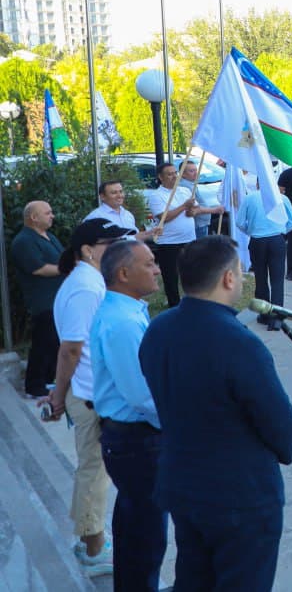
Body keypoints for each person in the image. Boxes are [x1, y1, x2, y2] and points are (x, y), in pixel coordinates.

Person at [140, 236, 292, 592]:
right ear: (228, 278)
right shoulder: (238, 342)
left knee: (194, 580)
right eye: (241, 273)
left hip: (183, 486)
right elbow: (281, 428)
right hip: (238, 498)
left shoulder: (158, 329)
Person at [44, 219, 134, 577]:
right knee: (94, 471)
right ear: (87, 249)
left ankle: (89, 536)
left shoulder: (91, 280)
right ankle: (93, 547)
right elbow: (71, 349)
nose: (118, 248)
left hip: (92, 391)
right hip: (89, 394)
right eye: (110, 242)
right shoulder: (85, 286)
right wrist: (58, 395)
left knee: (95, 470)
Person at [91, 240, 166, 591]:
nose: (157, 269)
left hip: (132, 438)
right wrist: (179, 425)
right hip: (136, 440)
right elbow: (142, 395)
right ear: (123, 274)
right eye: (149, 264)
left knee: (136, 529)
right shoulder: (121, 322)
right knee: (145, 538)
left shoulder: (130, 308)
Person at [12, 200, 64, 397]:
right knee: (44, 343)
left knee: (55, 343)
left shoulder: (49, 236)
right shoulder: (24, 241)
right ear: (34, 217)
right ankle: (34, 386)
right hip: (43, 301)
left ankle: (47, 381)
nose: (52, 216)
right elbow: (39, 268)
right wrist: (67, 268)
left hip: (57, 299)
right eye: (48, 213)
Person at [235, 183, 292, 329]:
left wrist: (251, 231)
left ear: (257, 183)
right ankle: (276, 319)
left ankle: (264, 314)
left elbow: (239, 222)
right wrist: (281, 231)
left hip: (257, 240)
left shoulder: (249, 198)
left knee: (261, 278)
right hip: (277, 239)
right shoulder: (282, 198)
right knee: (277, 280)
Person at [147, 162, 198, 308]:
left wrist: (192, 210)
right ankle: (174, 304)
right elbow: (164, 217)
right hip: (169, 242)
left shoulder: (184, 191)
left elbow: (192, 211)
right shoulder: (156, 196)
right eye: (169, 174)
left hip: (189, 239)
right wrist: (184, 207)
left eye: (175, 173)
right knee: (171, 277)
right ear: (160, 177)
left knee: (191, 273)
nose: (174, 176)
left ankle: (193, 302)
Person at [84, 179, 154, 238]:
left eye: (121, 191)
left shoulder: (128, 215)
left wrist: (149, 234)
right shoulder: (95, 217)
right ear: (102, 197)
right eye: (114, 193)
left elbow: (134, 236)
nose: (119, 195)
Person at [180, 160, 224, 238]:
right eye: (191, 171)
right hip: (198, 224)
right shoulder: (186, 187)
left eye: (196, 170)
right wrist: (215, 210)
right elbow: (194, 208)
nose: (195, 173)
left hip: (201, 223)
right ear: (183, 174)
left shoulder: (191, 184)